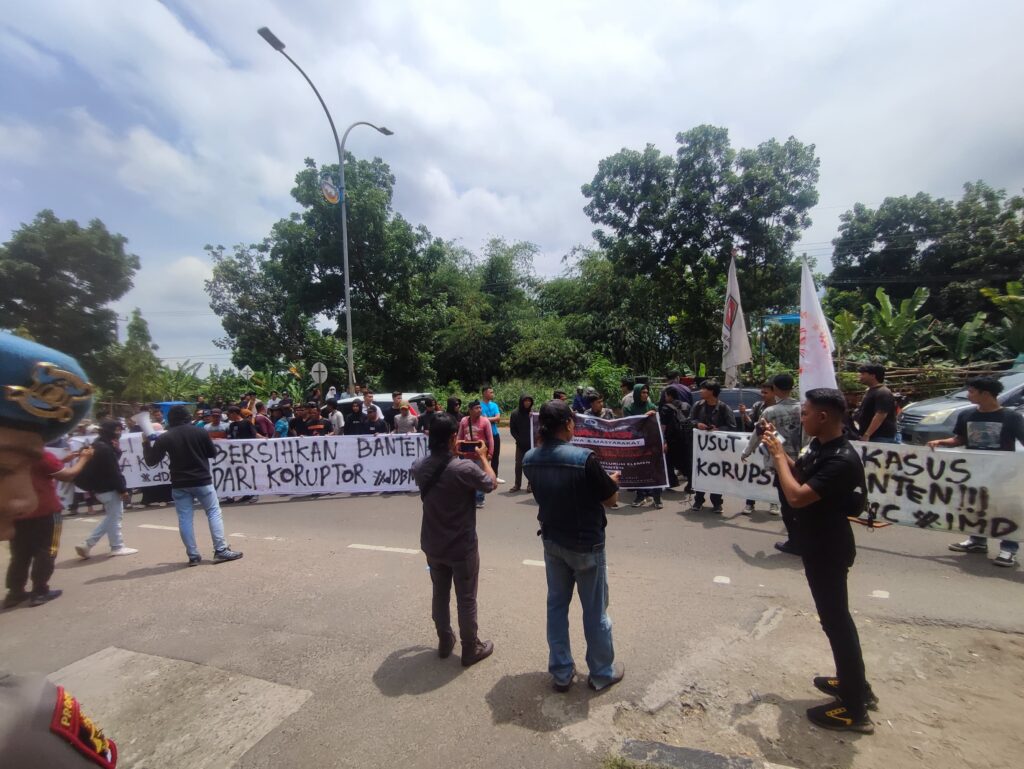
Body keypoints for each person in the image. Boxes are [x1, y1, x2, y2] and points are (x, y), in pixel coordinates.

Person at [0, 333, 124, 766]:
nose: (21, 497)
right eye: (2, 467)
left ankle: (21, 591)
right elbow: (69, 474)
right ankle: (36, 589)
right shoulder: (21, 724)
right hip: (52, 517)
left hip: (53, 515)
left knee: (23, 555)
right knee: (41, 555)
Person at [762, 388, 876, 734]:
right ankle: (855, 686)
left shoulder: (841, 459)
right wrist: (779, 450)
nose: (802, 417)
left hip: (828, 547)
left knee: (837, 623)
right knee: (834, 621)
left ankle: (854, 710)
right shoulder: (823, 448)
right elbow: (805, 478)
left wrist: (780, 459)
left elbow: (797, 497)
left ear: (823, 417)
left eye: (807, 413)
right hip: (817, 543)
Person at [524, 399, 624, 693]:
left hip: (553, 541)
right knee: (595, 611)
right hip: (586, 546)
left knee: (556, 606)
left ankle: (561, 672)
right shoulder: (584, 458)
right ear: (569, 423)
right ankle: (602, 672)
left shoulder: (530, 458)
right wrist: (612, 482)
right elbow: (610, 500)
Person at [412, 413, 497, 667]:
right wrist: (482, 457)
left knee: (440, 593)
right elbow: (490, 483)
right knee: (466, 598)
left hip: (432, 543)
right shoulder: (464, 468)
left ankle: (444, 639)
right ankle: (470, 648)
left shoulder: (418, 466)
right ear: (453, 438)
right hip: (462, 545)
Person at [930, 376, 1024, 567]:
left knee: (1004, 510)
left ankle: (1008, 549)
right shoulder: (966, 415)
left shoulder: (1011, 417)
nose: (968, 395)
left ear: (986, 394)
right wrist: (941, 442)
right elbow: (960, 440)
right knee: (975, 506)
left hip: (1003, 474)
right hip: (974, 471)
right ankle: (977, 541)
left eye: (972, 391)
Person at [142, 405, 243, 566]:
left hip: (179, 483)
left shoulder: (165, 437)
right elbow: (212, 453)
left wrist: (145, 443)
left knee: (185, 518)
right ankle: (221, 550)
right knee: (213, 513)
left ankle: (193, 555)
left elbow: (151, 461)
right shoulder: (200, 431)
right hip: (202, 480)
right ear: (188, 417)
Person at [5, 446, 93, 608]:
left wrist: (62, 461)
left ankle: (15, 593)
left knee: (19, 554)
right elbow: (68, 475)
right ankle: (40, 591)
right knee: (47, 550)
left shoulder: (7, 455)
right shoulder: (41, 455)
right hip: (46, 511)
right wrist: (84, 459)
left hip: (18, 513)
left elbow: (42, 469)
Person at [742, 373, 803, 546]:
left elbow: (757, 434)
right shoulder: (803, 409)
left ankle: (795, 541)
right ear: (792, 388)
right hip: (803, 462)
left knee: (787, 502)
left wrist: (747, 452)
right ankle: (803, 537)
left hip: (781, 463)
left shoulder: (770, 412)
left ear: (775, 389)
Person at [73, 420, 139, 560]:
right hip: (109, 488)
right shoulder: (105, 449)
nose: (119, 433)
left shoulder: (97, 445)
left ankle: (92, 545)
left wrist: (117, 451)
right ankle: (113, 546)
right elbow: (113, 471)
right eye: (116, 430)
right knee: (114, 518)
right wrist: (123, 489)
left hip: (99, 488)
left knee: (112, 516)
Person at [689, 379, 736, 514]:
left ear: (712, 392)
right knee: (700, 473)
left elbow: (732, 427)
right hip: (701, 448)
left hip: (717, 449)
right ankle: (698, 500)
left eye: (704, 389)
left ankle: (717, 502)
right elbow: (689, 421)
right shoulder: (698, 405)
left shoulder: (723, 407)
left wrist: (718, 430)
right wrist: (697, 424)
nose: (701, 391)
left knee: (716, 475)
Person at [737, 381, 776, 515]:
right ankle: (750, 503)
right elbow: (751, 425)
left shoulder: (779, 408)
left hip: (772, 447)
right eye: (762, 392)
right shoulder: (758, 406)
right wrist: (744, 414)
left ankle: (773, 503)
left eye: (766, 392)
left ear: (774, 392)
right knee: (753, 476)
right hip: (757, 447)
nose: (763, 394)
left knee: (772, 476)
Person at [624, 383, 663, 509]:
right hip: (637, 442)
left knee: (655, 469)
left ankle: (657, 497)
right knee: (639, 469)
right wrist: (645, 416)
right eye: (642, 392)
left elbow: (658, 425)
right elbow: (630, 424)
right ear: (636, 394)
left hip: (652, 442)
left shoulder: (652, 406)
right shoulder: (629, 408)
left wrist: (664, 441)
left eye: (647, 392)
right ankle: (641, 496)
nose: (645, 395)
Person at [458, 400, 494, 509]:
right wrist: (458, 450)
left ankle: (479, 499)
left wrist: (490, 453)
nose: (479, 410)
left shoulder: (485, 421)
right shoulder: (464, 421)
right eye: (476, 408)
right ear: (470, 410)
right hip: (467, 454)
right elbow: (460, 436)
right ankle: (468, 498)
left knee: (479, 476)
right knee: (467, 477)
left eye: (480, 408)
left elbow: (490, 439)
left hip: (480, 455)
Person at [659, 385, 692, 492]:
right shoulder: (686, 405)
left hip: (672, 439)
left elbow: (663, 426)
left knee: (668, 460)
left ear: (669, 396)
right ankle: (691, 484)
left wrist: (663, 440)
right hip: (686, 438)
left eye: (666, 395)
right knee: (687, 461)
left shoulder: (666, 408)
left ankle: (672, 481)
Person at [854, 364, 899, 443]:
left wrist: (867, 435)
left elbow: (880, 415)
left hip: (880, 437)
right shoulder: (870, 390)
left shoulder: (883, 392)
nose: (860, 376)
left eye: (863, 374)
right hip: (872, 436)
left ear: (873, 376)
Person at [508, 394, 535, 492]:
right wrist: (519, 440)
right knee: (518, 464)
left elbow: (539, 425)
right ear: (521, 402)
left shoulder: (533, 413)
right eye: (525, 400)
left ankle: (530, 485)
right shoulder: (515, 413)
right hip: (520, 444)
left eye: (529, 401)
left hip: (532, 444)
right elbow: (512, 430)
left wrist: (533, 416)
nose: (527, 403)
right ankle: (517, 484)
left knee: (531, 465)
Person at [480, 386, 504, 483]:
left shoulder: (494, 405)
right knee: (484, 456)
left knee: (495, 455)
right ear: (484, 393)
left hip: (495, 434)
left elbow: (498, 418)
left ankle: (495, 476)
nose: (492, 394)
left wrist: (489, 419)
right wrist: (492, 419)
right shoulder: (480, 405)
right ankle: (483, 476)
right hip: (484, 435)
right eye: (491, 392)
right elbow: (483, 420)